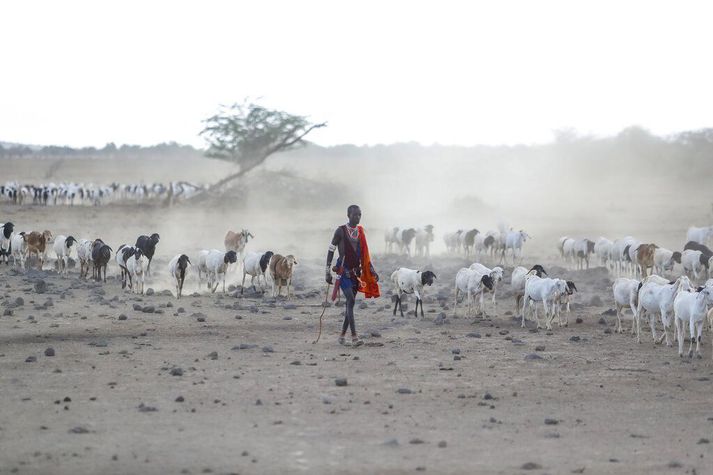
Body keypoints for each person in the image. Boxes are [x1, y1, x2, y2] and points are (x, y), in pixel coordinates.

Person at [326, 205, 380, 346]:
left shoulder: (360, 232)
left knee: (350, 304)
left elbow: (364, 255)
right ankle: (354, 337)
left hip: (356, 273)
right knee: (350, 300)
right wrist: (327, 271)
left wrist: (372, 270)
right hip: (343, 271)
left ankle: (342, 336)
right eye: (355, 215)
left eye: (360, 215)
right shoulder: (341, 231)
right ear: (348, 215)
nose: (358, 217)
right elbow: (331, 250)